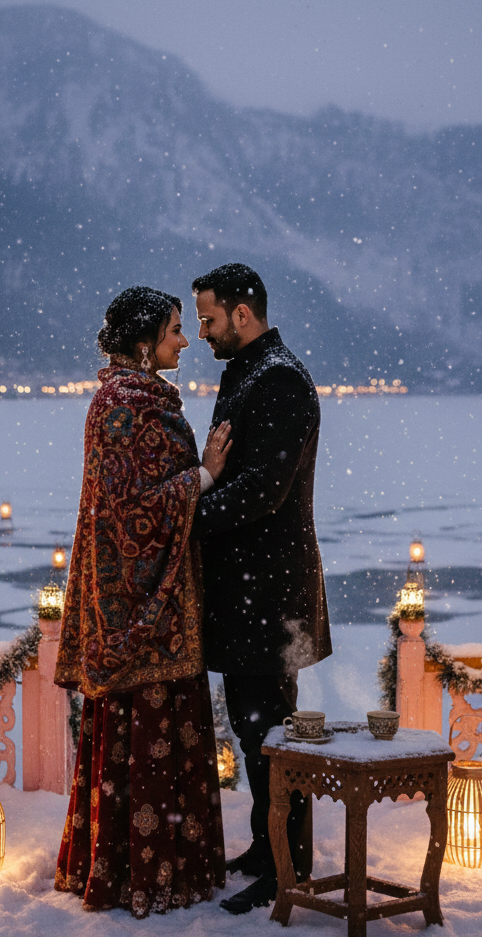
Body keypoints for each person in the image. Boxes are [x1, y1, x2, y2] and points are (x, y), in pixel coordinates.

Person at [54, 286, 232, 918]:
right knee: (154, 734)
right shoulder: (130, 406)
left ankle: (126, 866)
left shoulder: (122, 400)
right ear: (143, 341)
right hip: (145, 612)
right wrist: (204, 474)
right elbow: (134, 509)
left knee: (129, 745)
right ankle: (155, 877)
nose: (185, 341)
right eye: (174, 330)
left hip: (130, 603)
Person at [190, 263, 332, 915]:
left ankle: (287, 869)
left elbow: (262, 491)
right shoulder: (256, 375)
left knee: (272, 736)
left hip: (270, 599)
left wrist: (187, 517)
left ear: (242, 314)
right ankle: (266, 847)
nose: (202, 331)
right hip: (254, 594)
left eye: (210, 318)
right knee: (257, 735)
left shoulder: (279, 382)